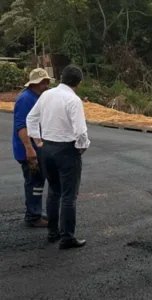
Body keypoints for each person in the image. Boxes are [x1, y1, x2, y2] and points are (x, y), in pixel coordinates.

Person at [26, 65, 90, 249]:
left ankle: (52, 232)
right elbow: (80, 132)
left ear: (61, 78)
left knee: (54, 191)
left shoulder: (46, 95)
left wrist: (38, 140)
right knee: (69, 196)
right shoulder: (73, 100)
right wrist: (82, 147)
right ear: (78, 82)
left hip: (47, 148)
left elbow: (31, 118)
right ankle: (67, 237)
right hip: (66, 150)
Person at [12, 68, 51, 227]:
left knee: (37, 182)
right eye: (43, 82)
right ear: (35, 83)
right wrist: (29, 149)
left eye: (47, 81)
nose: (46, 85)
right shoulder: (25, 99)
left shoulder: (35, 97)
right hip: (29, 151)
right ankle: (33, 216)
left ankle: (35, 212)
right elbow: (21, 126)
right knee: (34, 182)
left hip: (35, 148)